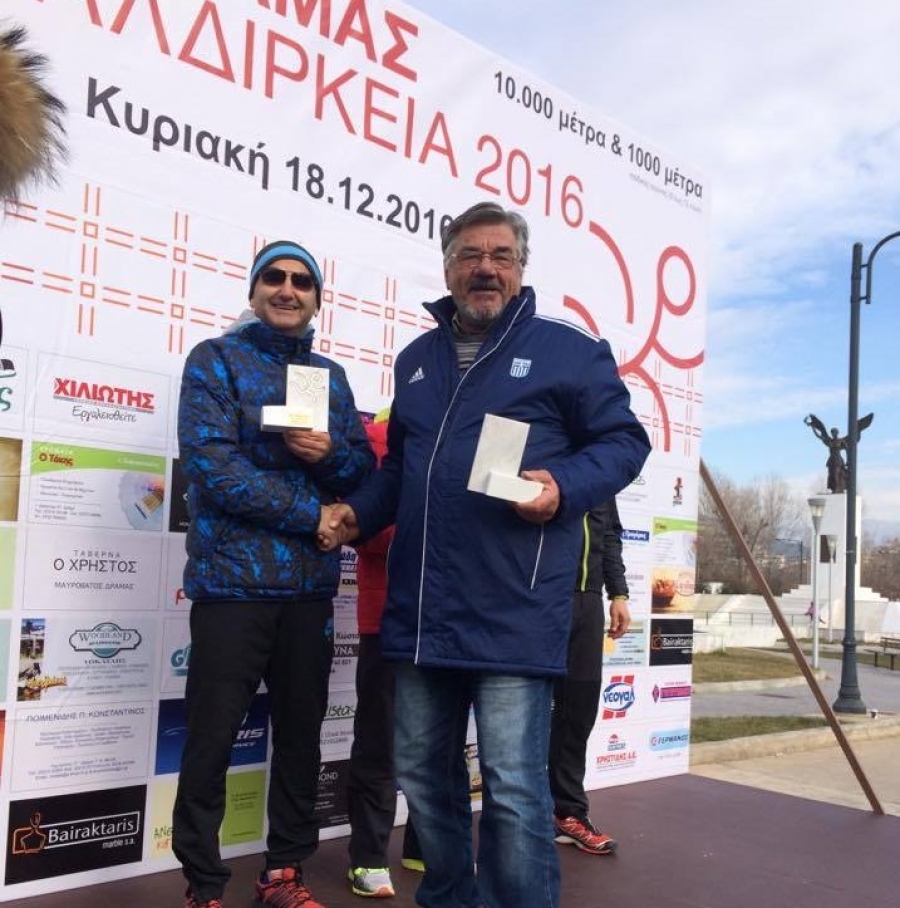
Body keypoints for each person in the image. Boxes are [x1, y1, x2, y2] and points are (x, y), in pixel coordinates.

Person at [318, 201, 651, 908]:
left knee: (513, 785)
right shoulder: (417, 360)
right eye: (470, 255)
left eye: (501, 255)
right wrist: (357, 512)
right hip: (422, 609)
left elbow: (626, 442)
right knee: (421, 773)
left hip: (513, 607)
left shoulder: (568, 349)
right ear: (448, 268)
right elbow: (399, 471)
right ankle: (449, 898)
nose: (485, 268)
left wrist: (563, 486)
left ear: (521, 268)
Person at [173, 240, 374, 908]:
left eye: (302, 282)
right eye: (275, 278)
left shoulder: (330, 377)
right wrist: (313, 513)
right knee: (211, 739)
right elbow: (213, 468)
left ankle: (284, 872)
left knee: (300, 741)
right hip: (232, 589)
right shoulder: (215, 359)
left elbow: (361, 474)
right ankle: (203, 884)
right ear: (255, 290)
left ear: (316, 300)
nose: (288, 289)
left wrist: (328, 457)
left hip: (309, 592)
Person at [346, 408, 422, 899]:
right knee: (379, 740)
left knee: (441, 744)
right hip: (388, 618)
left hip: (450, 621)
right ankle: (369, 856)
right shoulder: (374, 440)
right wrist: (426, 527)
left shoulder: (466, 436)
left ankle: (425, 844)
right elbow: (364, 530)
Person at [549, 497, 629, 856]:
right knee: (525, 712)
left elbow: (609, 535)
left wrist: (619, 593)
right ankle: (525, 816)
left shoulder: (601, 475)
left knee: (578, 711)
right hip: (540, 597)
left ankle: (569, 814)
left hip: (588, 602)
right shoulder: (544, 464)